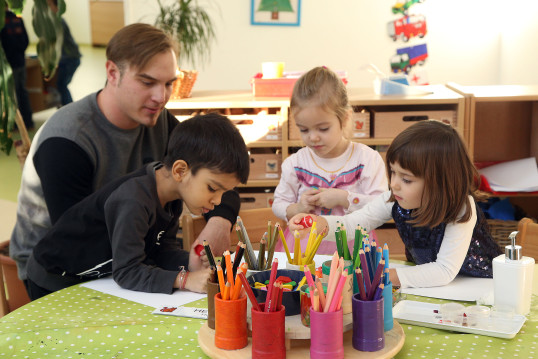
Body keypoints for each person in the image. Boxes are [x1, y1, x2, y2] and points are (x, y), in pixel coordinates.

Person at [10, 23, 239, 292]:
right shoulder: (66, 140)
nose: (161, 96)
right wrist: (178, 274)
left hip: (124, 258)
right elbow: (78, 238)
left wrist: (220, 221)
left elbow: (219, 171)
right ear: (112, 72)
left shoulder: (162, 123)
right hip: (62, 270)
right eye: (147, 82)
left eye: (169, 84)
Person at [25, 113, 250, 300]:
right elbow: (128, 271)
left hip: (95, 280)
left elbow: (158, 251)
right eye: (213, 188)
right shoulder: (133, 200)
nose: (218, 201)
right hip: (54, 277)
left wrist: (187, 262)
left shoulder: (172, 194)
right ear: (180, 171)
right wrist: (184, 280)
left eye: (224, 193)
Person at [288, 120, 503, 288]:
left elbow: (444, 270)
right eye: (392, 172)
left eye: (406, 179)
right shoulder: (395, 198)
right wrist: (319, 224)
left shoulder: (461, 208)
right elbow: (354, 224)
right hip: (428, 286)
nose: (395, 184)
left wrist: (385, 274)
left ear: (440, 183)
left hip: (479, 286)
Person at [272, 66, 388, 254]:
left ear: (345, 118)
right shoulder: (295, 163)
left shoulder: (367, 159)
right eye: (304, 130)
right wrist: (299, 207)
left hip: (352, 249)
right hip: (304, 250)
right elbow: (278, 205)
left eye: (323, 129)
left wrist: (344, 199)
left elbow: (381, 208)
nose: (313, 137)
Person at [1, 4, 34, 129]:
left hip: (9, 65)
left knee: (11, 95)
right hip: (20, 62)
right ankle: (29, 121)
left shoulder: (1, 21)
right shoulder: (17, 18)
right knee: (22, 91)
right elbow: (26, 40)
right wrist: (20, 53)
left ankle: (15, 125)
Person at [48, 0, 82, 106]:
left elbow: (55, 43)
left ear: (57, 7)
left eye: (49, 5)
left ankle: (69, 108)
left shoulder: (57, 21)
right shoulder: (55, 20)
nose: (47, 8)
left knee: (61, 85)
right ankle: (65, 107)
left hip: (69, 59)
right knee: (60, 85)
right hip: (67, 58)